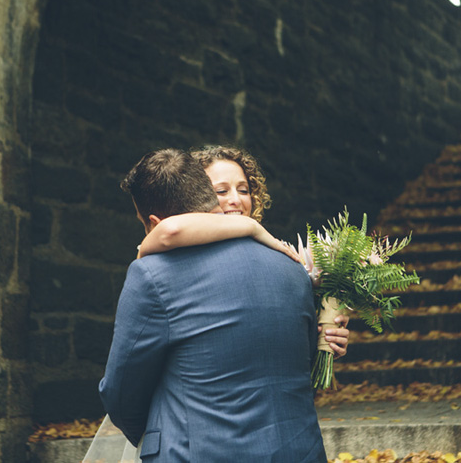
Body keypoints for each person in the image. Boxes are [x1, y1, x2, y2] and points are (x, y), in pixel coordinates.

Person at [97, 148, 327, 462]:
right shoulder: (292, 269)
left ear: (152, 222)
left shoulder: (152, 274)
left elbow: (120, 393)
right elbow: (302, 370)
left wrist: (157, 434)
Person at [138, 144, 350, 358]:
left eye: (243, 190)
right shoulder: (173, 261)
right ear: (197, 195)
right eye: (221, 191)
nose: (236, 200)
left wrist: (325, 340)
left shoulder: (284, 261)